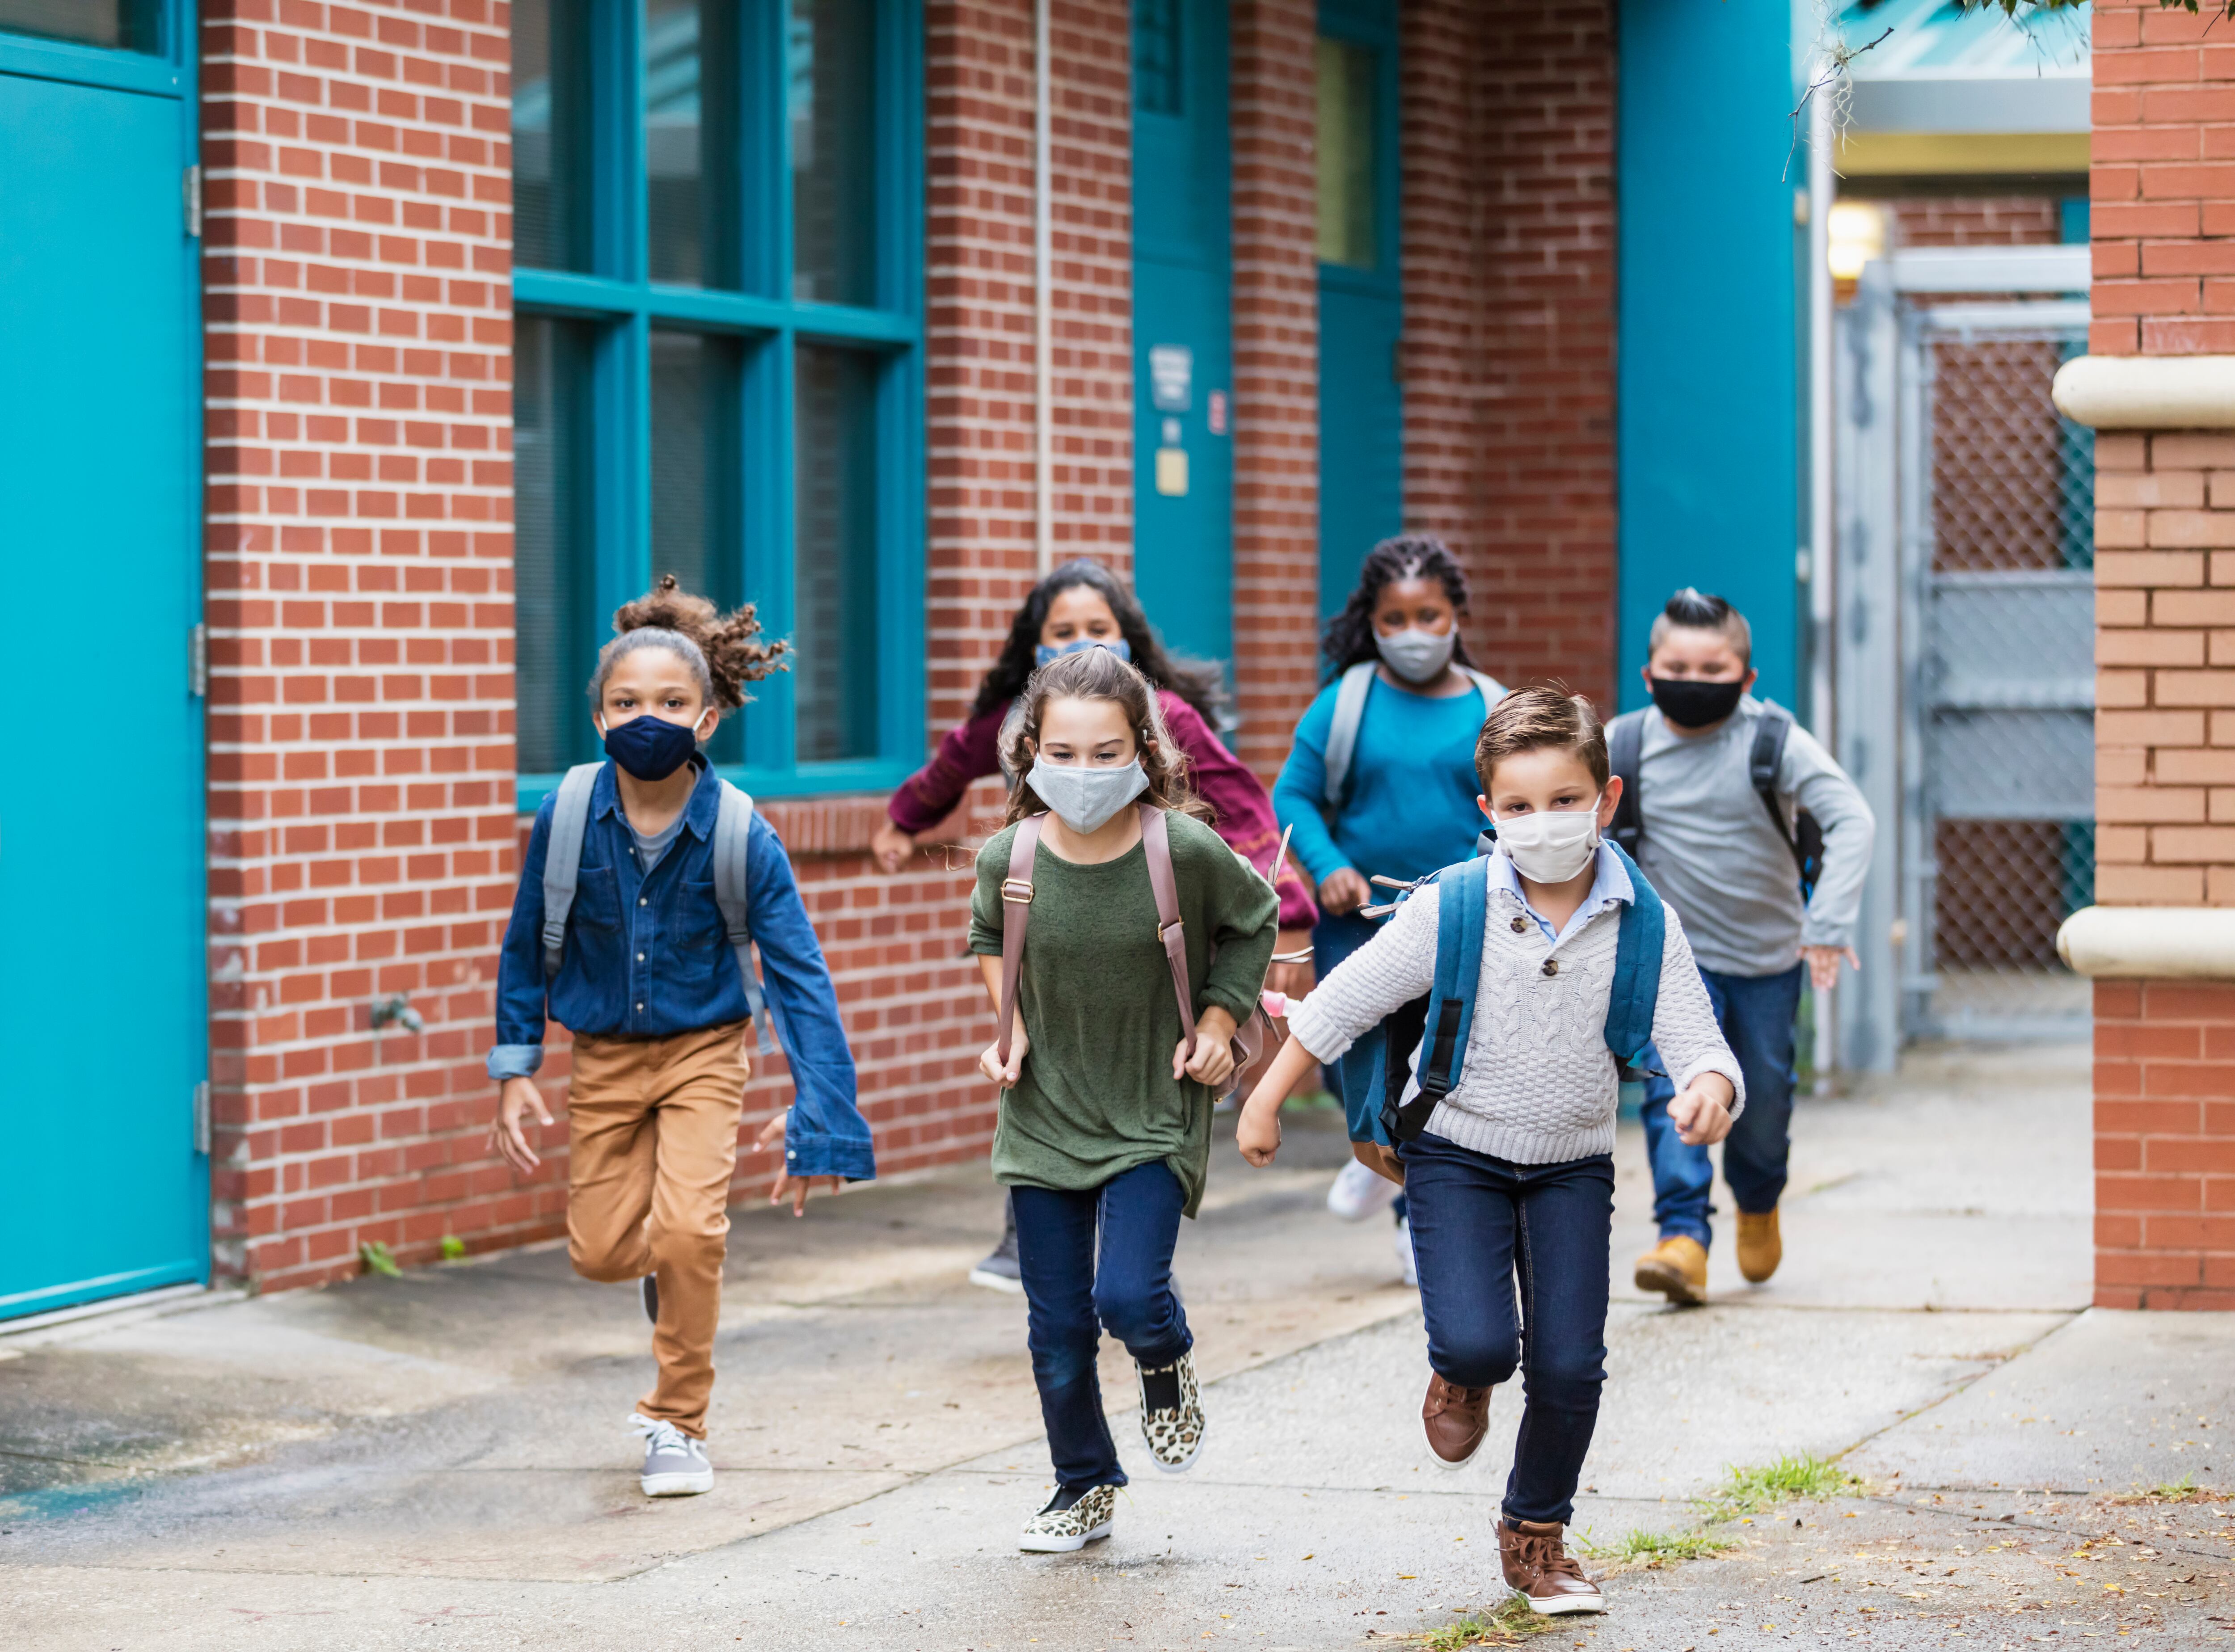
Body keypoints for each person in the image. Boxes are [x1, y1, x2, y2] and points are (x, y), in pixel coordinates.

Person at [1236, 686, 1743, 1616]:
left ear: (1607, 799)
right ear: (1488, 812)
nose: (1542, 823)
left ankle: (1536, 1533)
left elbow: (1697, 1040)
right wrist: (1265, 1100)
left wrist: (1710, 1089)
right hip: (1456, 1157)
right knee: (1480, 1340)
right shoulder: (1455, 906)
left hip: (1572, 1165)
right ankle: (1461, 1368)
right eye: (1518, 806)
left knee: (1569, 1364)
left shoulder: (1644, 921)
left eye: (1564, 802)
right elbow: (1345, 1001)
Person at [487, 578, 877, 1500]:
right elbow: (520, 946)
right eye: (627, 703)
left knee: (693, 1229)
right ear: (596, 718)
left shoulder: (744, 835)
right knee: (600, 1251)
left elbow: (801, 982)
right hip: (606, 1056)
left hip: (707, 1051)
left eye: (669, 703)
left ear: (706, 720)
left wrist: (824, 1121)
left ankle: (677, 1422)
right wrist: (514, 1068)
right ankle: (665, 1273)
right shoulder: (569, 817)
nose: (646, 718)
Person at [870, 557, 1313, 1290]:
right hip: (1051, 934)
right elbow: (954, 761)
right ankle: (1032, 1236)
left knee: (1130, 1277)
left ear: (1130, 639)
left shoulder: (1168, 716)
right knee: (1046, 1081)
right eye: (1063, 631)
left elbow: (1244, 805)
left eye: (1099, 629)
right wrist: (902, 820)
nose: (1083, 643)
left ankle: (1136, 1273)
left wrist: (1284, 916)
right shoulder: (1021, 720)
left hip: (1142, 942)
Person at [968, 646, 1278, 1553]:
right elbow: (990, 934)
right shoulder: (1009, 856)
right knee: (1055, 1326)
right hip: (1042, 1115)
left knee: (1128, 1299)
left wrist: (1220, 1028)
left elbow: (1252, 919)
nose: (1085, 773)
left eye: (1107, 754)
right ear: (1030, 754)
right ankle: (1083, 1484)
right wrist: (1008, 1022)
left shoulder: (1176, 848)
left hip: (1152, 1107)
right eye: (1063, 754)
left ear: (1143, 750)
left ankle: (1165, 1357)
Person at [1611, 589, 1874, 1306]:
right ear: (1648, 673)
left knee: (1760, 1108)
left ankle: (1759, 1200)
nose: (1693, 679)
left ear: (1748, 679)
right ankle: (1684, 1237)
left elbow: (1852, 820)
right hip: (1670, 964)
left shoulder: (1774, 741)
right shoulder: (1623, 746)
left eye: (1713, 667)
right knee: (1673, 1090)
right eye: (1677, 665)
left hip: (1765, 961)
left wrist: (1826, 926)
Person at [1271, 535, 1505, 1283]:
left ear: (1456, 615)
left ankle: (1415, 1221)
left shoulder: (1491, 705)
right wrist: (1329, 867)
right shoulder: (1346, 703)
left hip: (1461, 922)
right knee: (1352, 1060)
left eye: (1428, 615)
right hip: (1362, 922)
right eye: (1395, 617)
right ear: (1371, 621)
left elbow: (1516, 800)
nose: (1412, 633)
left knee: (1435, 1071)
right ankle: (1370, 1141)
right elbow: (1293, 796)